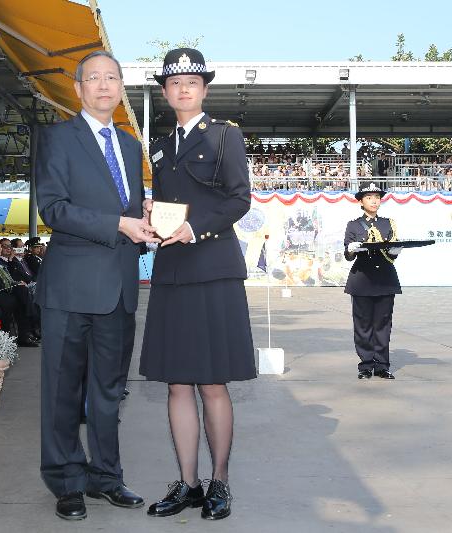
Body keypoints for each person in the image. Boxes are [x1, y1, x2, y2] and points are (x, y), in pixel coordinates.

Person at [34, 49, 158, 521]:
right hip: (69, 288)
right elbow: (54, 209)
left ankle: (107, 476)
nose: (104, 86)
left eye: (113, 78)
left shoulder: (129, 144)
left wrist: (142, 219)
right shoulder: (58, 138)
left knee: (109, 391)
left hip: (119, 287)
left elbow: (127, 207)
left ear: (121, 87)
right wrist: (118, 225)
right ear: (79, 88)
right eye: (95, 79)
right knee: (63, 390)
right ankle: (66, 480)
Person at [140, 48, 257, 521]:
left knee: (212, 383)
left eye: (192, 81)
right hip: (172, 272)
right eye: (174, 83)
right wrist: (152, 218)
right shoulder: (160, 146)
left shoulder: (227, 135)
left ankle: (220, 481)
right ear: (165, 92)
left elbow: (239, 199)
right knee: (176, 385)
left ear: (204, 89)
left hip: (213, 267)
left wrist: (195, 228)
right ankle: (188, 483)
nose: (183, 89)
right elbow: (166, 205)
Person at [343, 183, 402, 380]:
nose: (374, 200)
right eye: (369, 197)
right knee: (363, 324)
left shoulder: (388, 224)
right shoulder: (353, 225)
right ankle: (366, 365)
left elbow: (391, 254)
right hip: (362, 280)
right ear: (360, 201)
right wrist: (351, 249)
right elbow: (348, 255)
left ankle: (382, 365)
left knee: (383, 324)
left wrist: (395, 251)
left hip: (385, 279)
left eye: (377, 197)